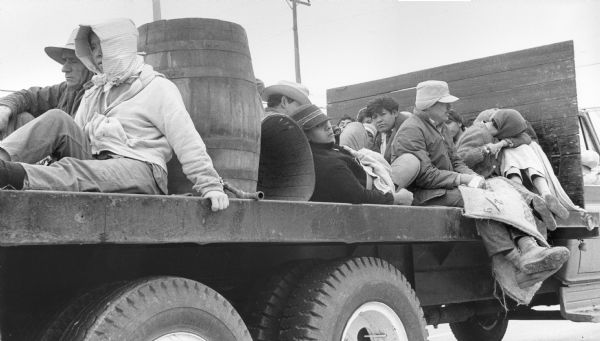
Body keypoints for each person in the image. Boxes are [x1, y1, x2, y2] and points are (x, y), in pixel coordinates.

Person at [0, 18, 228, 212]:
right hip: (96, 163)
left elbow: (186, 138)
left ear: (120, 46)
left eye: (103, 46)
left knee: (78, 169)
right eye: (93, 47)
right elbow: (76, 135)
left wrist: (210, 184)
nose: (97, 54)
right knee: (57, 118)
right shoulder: (96, 90)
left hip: (139, 168)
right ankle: (2, 161)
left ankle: (12, 176)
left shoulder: (157, 88)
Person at [391, 80, 569, 288]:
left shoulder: (438, 127)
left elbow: (456, 161)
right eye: (444, 103)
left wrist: (476, 179)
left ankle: (529, 247)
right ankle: (518, 262)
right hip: (424, 195)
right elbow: (424, 176)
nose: (450, 108)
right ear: (428, 105)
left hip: (443, 188)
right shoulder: (411, 130)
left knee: (499, 188)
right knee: (481, 200)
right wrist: (465, 180)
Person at [289, 104, 413, 205]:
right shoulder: (329, 165)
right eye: (318, 126)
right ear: (305, 135)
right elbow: (360, 196)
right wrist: (397, 198)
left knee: (409, 160)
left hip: (377, 178)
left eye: (325, 121)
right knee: (411, 161)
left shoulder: (325, 148)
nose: (327, 127)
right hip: (377, 193)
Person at [456, 108, 569, 219]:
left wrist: (502, 143)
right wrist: (485, 150)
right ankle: (537, 206)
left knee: (509, 186)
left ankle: (540, 207)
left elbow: (525, 138)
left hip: (490, 178)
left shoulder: (495, 130)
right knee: (507, 190)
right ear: (506, 130)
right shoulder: (478, 133)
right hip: (474, 180)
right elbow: (459, 160)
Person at [0, 28, 93, 139]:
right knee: (19, 117)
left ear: (90, 65)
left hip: (78, 153)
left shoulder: (101, 93)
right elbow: (29, 96)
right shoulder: (65, 89)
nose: (64, 68)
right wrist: (4, 109)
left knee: (55, 117)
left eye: (73, 61)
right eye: (65, 61)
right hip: (55, 150)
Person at [365, 96, 411, 163]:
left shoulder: (408, 130)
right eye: (374, 117)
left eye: (383, 114)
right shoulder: (378, 136)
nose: (379, 120)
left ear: (395, 113)